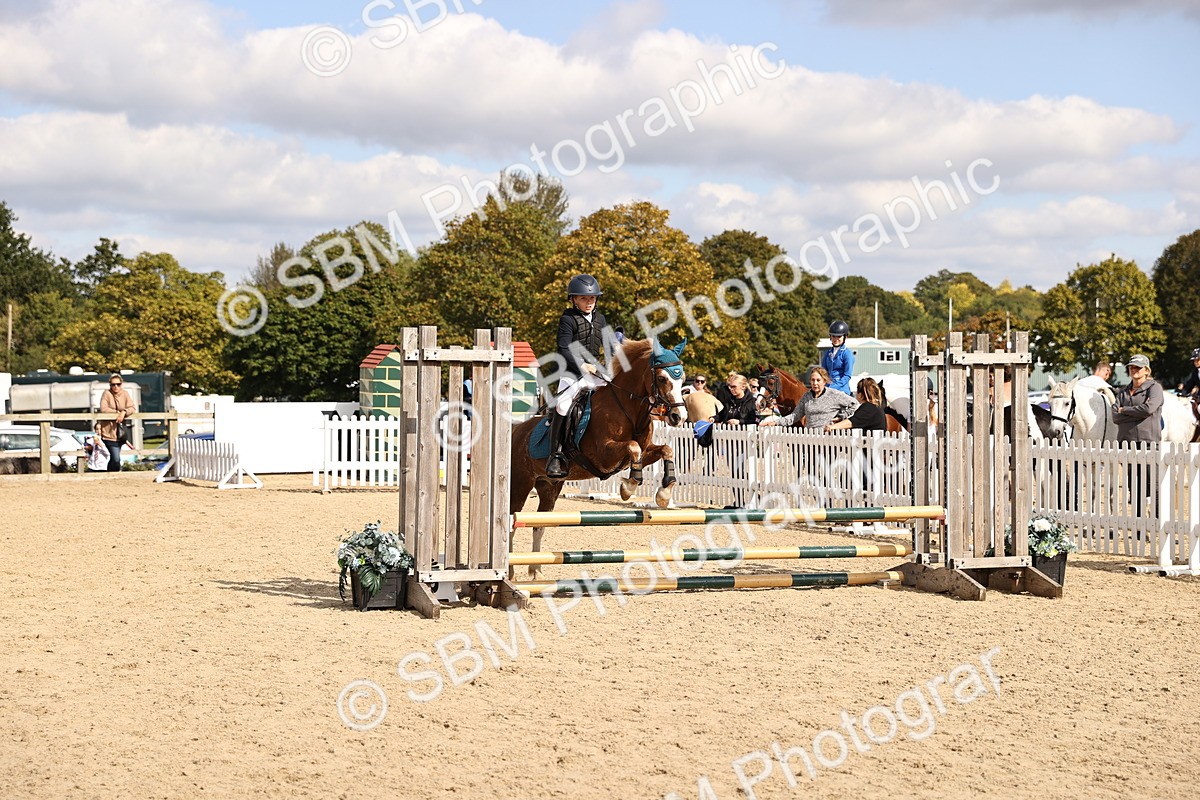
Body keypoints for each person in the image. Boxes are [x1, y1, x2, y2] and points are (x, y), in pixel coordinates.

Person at [546, 274, 610, 479]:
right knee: (563, 405)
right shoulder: (567, 319)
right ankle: (555, 456)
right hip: (571, 373)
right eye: (583, 298)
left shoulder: (600, 319)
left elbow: (609, 345)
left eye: (592, 298)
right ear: (573, 299)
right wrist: (582, 365)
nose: (589, 302)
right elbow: (563, 348)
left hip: (596, 373)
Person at [1113, 354, 1163, 518]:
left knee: (1152, 485)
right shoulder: (1123, 391)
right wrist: (1137, 413)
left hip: (1148, 444)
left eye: (1138, 367)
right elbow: (1115, 416)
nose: (1133, 370)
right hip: (1127, 446)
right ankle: (1139, 521)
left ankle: (1155, 520)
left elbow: (1148, 409)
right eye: (1131, 367)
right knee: (1134, 486)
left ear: (1146, 370)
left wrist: (1125, 410)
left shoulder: (1154, 388)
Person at [713, 373, 758, 508]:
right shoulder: (729, 400)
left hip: (744, 442)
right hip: (730, 441)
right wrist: (713, 418)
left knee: (739, 470)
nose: (731, 389)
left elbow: (755, 420)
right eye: (730, 387)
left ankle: (753, 497)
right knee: (733, 471)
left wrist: (740, 421)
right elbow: (722, 415)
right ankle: (738, 500)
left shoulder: (751, 402)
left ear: (743, 387)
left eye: (734, 387)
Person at [761, 367, 857, 431]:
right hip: (810, 439)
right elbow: (794, 416)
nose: (815, 383)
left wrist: (841, 416)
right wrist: (775, 422)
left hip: (828, 439)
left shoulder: (834, 394)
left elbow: (854, 404)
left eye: (818, 380)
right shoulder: (806, 396)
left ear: (824, 381)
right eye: (812, 380)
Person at [97, 373, 136, 472]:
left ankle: (111, 474)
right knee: (116, 458)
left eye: (118, 384)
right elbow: (103, 409)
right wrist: (116, 413)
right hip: (108, 432)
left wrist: (124, 412)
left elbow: (132, 407)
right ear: (110, 385)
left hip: (121, 433)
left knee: (115, 457)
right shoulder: (106, 394)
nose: (115, 387)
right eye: (113, 384)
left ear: (121, 384)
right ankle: (113, 474)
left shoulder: (125, 393)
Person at [822, 321, 854, 394]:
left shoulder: (847, 354)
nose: (836, 339)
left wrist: (833, 387)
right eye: (833, 336)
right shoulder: (827, 353)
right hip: (827, 387)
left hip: (842, 389)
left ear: (845, 337)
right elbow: (823, 372)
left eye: (839, 336)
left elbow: (847, 376)